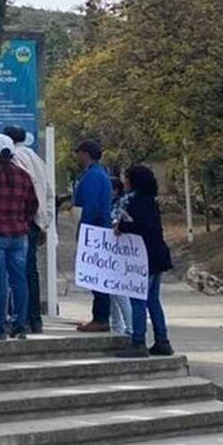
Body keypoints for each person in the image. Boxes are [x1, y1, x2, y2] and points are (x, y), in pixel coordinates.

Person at [0, 134, 38, 341]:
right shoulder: (24, 176)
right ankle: (20, 324)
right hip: (19, 235)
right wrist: (23, 221)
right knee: (19, 280)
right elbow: (32, 205)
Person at [115, 165, 174, 358]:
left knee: (138, 299)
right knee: (153, 300)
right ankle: (162, 340)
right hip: (157, 256)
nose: (123, 181)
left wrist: (122, 226)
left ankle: (138, 341)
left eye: (126, 178)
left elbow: (140, 226)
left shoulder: (137, 202)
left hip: (144, 259)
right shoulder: (150, 201)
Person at [4, 125, 54, 334]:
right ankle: (35, 320)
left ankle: (18, 318)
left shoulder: (14, 159)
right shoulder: (37, 159)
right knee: (29, 272)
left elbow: (25, 193)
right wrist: (44, 222)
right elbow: (49, 194)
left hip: (19, 221)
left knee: (14, 273)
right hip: (35, 222)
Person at [71, 140, 114, 333]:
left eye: (79, 153)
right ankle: (100, 315)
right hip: (100, 228)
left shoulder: (92, 177)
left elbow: (90, 206)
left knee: (97, 275)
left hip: (95, 230)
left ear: (86, 154)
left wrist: (84, 230)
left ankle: (101, 317)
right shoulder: (100, 173)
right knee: (98, 274)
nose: (77, 157)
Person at [107, 175, 134, 336]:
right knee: (111, 292)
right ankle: (116, 325)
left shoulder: (121, 204)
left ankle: (129, 326)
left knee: (119, 292)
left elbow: (119, 222)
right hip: (110, 252)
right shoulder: (110, 203)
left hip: (120, 252)